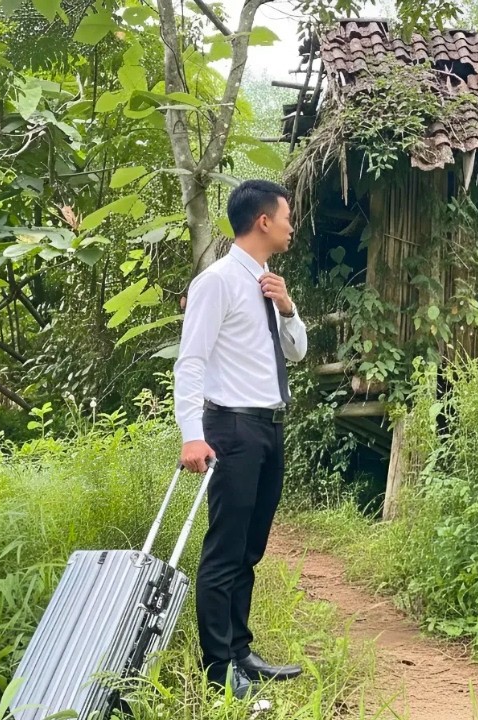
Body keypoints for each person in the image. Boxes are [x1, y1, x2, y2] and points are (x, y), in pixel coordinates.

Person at [173, 179, 308, 699]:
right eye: (287, 215)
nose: (292, 225)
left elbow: (294, 354)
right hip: (230, 427)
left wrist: (290, 309)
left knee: (250, 548)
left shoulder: (270, 283)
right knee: (225, 549)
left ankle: (241, 651)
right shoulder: (218, 282)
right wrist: (192, 436)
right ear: (263, 221)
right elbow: (191, 361)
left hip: (270, 427)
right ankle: (218, 668)